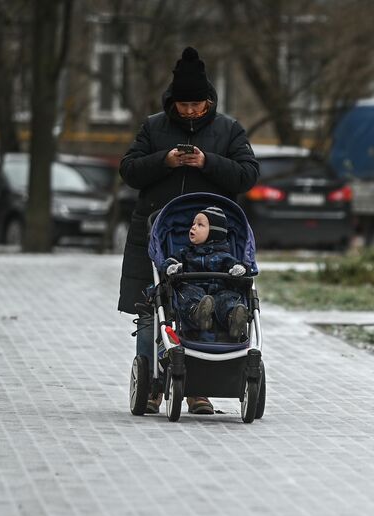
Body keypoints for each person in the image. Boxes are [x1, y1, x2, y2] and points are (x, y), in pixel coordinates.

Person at [119, 46, 259, 415]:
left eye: (197, 104)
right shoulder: (153, 127)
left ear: (208, 100)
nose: (191, 111)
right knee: (150, 309)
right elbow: (129, 170)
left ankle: (200, 388)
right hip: (156, 233)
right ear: (172, 102)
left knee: (202, 307)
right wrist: (164, 161)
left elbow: (248, 174)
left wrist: (207, 161)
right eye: (183, 105)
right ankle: (151, 386)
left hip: (210, 237)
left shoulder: (228, 130)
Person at [162, 205, 250, 341]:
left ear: (214, 232)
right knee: (186, 295)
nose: (193, 227)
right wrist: (171, 268)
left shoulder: (224, 256)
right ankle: (198, 315)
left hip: (219, 292)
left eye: (200, 225)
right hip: (194, 290)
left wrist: (240, 269)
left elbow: (240, 266)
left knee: (228, 299)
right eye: (193, 224)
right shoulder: (186, 253)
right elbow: (169, 262)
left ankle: (233, 320)